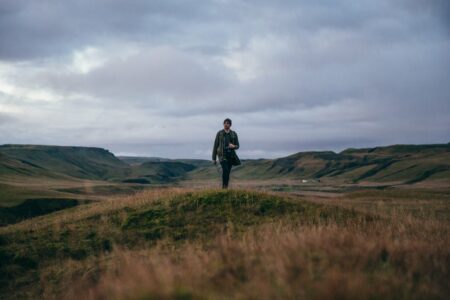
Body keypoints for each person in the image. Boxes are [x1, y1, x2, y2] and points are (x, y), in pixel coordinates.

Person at [212, 118, 241, 189]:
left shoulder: (234, 134)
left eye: (228, 123)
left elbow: (238, 146)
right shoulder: (220, 133)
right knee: (225, 170)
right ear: (223, 124)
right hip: (222, 155)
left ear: (230, 125)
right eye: (225, 123)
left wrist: (233, 146)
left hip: (231, 156)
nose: (226, 124)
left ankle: (225, 188)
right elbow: (215, 145)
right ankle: (224, 188)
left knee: (227, 172)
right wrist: (214, 158)